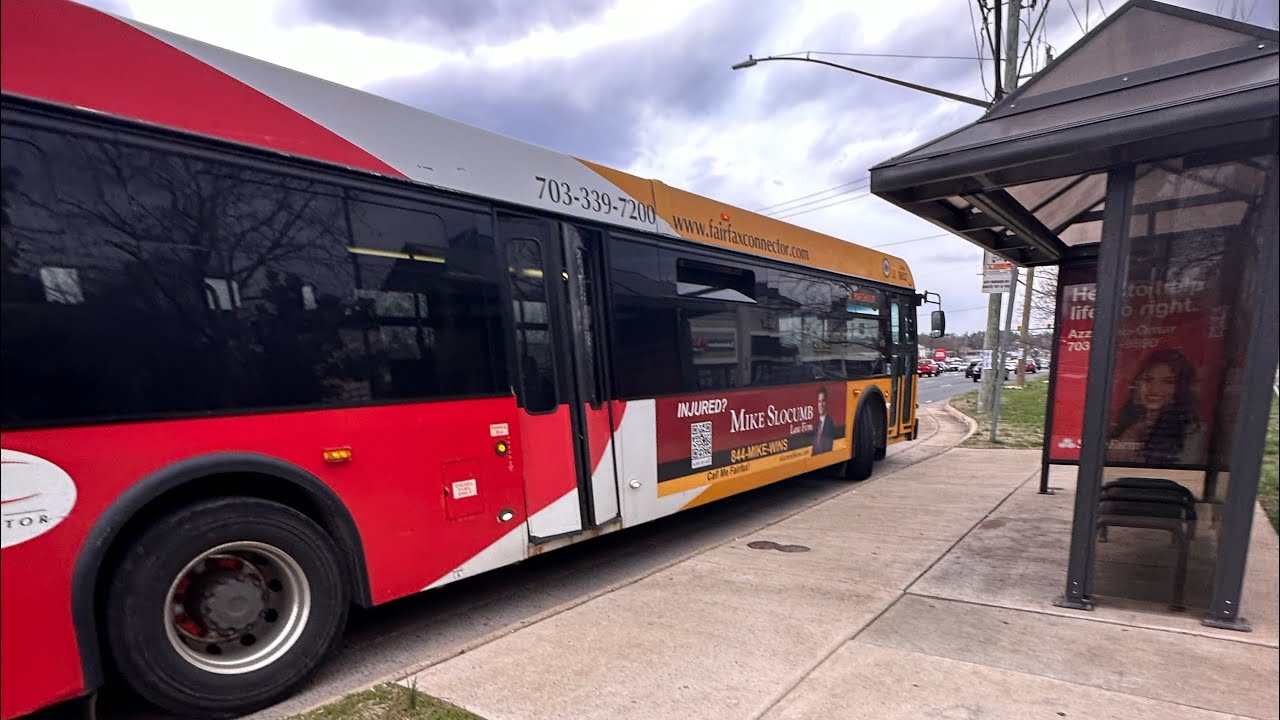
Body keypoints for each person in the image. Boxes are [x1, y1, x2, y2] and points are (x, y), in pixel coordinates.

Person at [1107, 348, 1206, 465]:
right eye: (1148, 380)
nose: (1155, 389)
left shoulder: (1194, 430)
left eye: (1168, 382)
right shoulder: (1122, 422)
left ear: (1181, 388)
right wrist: (1135, 430)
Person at [811, 386, 837, 455]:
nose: (821, 405)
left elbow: (828, 449)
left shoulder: (830, 423)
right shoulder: (816, 425)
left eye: (823, 401)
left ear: (827, 403)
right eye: (819, 402)